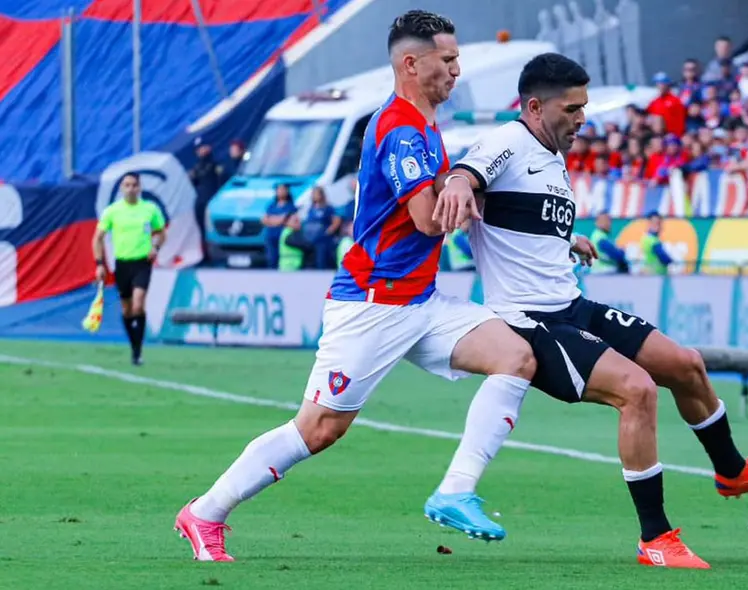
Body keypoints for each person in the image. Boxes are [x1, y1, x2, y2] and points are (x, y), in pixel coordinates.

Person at [174, 11, 536, 561]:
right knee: (318, 429)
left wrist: (488, 201)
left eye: (458, 59)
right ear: (411, 64)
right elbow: (426, 219)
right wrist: (469, 196)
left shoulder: (423, 123)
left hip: (421, 300)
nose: (458, 70)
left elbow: (441, 205)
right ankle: (205, 512)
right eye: (448, 59)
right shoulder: (400, 128)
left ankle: (456, 490)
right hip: (373, 305)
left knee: (515, 356)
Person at [430, 52, 748, 570]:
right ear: (535, 106)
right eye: (573, 108)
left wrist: (568, 240)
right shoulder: (507, 140)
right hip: (531, 323)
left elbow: (520, 219)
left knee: (684, 364)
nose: (582, 117)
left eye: (584, 106)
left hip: (572, 305)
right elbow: (466, 175)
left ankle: (733, 471)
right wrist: (455, 185)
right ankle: (656, 538)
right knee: (637, 391)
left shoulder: (549, 151)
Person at [92, 172, 166, 366]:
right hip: (122, 264)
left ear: (139, 187)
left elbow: (160, 232)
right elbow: (97, 238)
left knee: (138, 304)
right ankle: (134, 346)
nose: (131, 188)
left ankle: (138, 351)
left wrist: (155, 247)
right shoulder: (112, 211)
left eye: (134, 185)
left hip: (142, 263)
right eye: (127, 185)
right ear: (121, 188)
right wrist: (99, 264)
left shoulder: (150, 209)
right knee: (126, 310)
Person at [261, 184, 297, 269]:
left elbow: (290, 221)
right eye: (279, 190)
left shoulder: (290, 206)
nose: (281, 192)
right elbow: (264, 219)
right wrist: (280, 220)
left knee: (281, 259)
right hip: (271, 236)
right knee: (271, 259)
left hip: (283, 238)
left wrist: (273, 220)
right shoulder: (272, 205)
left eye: (283, 190)